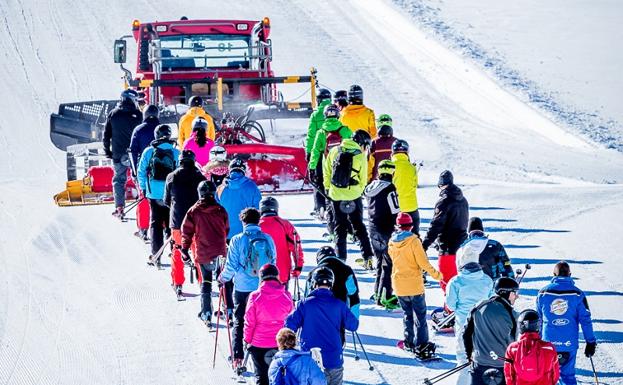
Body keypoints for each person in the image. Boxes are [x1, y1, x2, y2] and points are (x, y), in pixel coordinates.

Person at [218, 208, 277, 370]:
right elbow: (274, 262)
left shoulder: (238, 240)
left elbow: (231, 265)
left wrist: (223, 278)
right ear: (259, 221)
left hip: (243, 288)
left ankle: (238, 356)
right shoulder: (268, 239)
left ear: (243, 222)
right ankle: (267, 352)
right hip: (263, 287)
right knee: (263, 320)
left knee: (240, 320)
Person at [286, 267, 359, 385]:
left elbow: (289, 325)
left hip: (310, 358)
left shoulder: (304, 304)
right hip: (334, 359)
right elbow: (353, 325)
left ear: (314, 283)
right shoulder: (339, 304)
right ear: (331, 283)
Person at [388, 212, 443, 358]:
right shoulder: (414, 241)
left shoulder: (392, 242)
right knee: (420, 316)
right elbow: (423, 263)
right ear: (411, 226)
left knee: (407, 315)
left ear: (398, 226)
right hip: (414, 285)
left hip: (399, 284)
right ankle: (422, 344)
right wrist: (438, 275)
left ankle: (408, 343)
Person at [536, 261, 596, 385]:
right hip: (568, 343)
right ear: (570, 274)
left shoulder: (543, 293)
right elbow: (585, 320)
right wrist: (590, 341)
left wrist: (537, 340)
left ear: (554, 274)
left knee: (547, 375)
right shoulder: (577, 294)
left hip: (548, 343)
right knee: (567, 376)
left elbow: (539, 319)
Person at [445, 239, 494, 385]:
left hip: (464, 323)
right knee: (482, 357)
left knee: (463, 357)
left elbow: (451, 305)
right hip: (483, 325)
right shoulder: (487, 280)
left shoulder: (455, 282)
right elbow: (492, 301)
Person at [180, 180, 229, 326]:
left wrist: (184, 249)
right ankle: (227, 308)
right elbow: (227, 229)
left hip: (203, 252)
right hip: (220, 251)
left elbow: (186, 231)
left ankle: (206, 312)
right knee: (222, 280)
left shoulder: (194, 211)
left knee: (206, 281)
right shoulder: (220, 210)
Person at [322, 130, 374, 265]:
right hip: (354, 195)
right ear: (362, 143)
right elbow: (363, 179)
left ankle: (341, 258)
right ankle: (368, 257)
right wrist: (359, 191)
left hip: (336, 195)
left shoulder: (334, 150)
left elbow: (326, 171)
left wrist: (328, 189)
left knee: (340, 227)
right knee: (359, 226)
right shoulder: (360, 156)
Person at [164, 150, 206, 295]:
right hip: (197, 222)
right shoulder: (200, 177)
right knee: (198, 252)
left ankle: (178, 283)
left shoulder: (171, 177)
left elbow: (166, 201)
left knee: (177, 251)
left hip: (177, 222)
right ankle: (202, 282)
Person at [463, 277, 519, 385]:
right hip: (503, 366)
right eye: (515, 293)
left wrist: (469, 355)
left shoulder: (478, 307)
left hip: (480, 363)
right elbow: (515, 344)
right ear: (507, 293)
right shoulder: (513, 314)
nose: (517, 296)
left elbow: (466, 333)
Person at [137, 124, 180, 265]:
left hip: (154, 194)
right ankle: (174, 252)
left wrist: (144, 188)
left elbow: (141, 172)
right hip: (172, 194)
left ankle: (156, 255)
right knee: (172, 223)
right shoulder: (176, 152)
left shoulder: (148, 152)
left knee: (155, 223)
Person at [244, 264, 294, 385]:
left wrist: (247, 340)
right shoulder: (286, 296)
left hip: (259, 343)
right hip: (281, 343)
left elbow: (250, 321)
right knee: (280, 376)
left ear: (261, 278)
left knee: (261, 376)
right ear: (277, 276)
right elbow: (291, 320)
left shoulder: (255, 296)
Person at [422, 170, 469, 294]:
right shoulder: (463, 200)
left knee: (446, 280)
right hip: (462, 247)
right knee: (459, 280)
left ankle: (450, 309)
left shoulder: (444, 201)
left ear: (441, 185)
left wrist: (425, 244)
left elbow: (436, 225)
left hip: (448, 246)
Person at [364, 160, 400, 307]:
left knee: (380, 261)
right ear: (392, 172)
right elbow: (395, 209)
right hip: (386, 229)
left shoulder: (370, 186)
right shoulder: (390, 188)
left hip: (372, 228)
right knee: (388, 263)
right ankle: (386, 295)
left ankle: (378, 293)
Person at [308, 104, 353, 221]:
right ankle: (346, 212)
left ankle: (323, 210)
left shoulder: (321, 132)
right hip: (343, 166)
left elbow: (315, 151)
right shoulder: (345, 130)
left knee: (322, 186)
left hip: (326, 166)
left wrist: (312, 167)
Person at [103, 89, 142, 216]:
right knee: (139, 179)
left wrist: (107, 151)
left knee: (119, 180)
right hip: (134, 153)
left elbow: (106, 135)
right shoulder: (138, 114)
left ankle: (119, 207)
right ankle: (144, 204)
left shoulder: (113, 114)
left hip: (118, 154)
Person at [504, 309, 560, 385]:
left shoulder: (512, 348)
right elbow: (555, 373)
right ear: (538, 326)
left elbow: (509, 373)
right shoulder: (549, 347)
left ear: (520, 326)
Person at [129, 104, 160, 240]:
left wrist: (135, 171)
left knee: (144, 198)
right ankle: (163, 227)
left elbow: (133, 151)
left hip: (145, 169)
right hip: (163, 169)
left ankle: (143, 229)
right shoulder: (162, 129)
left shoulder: (139, 129)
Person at [258, 197, 304, 288]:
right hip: (281, 273)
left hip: (258, 274)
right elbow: (296, 246)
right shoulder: (285, 224)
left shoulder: (256, 225)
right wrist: (298, 266)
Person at [307, 246, 360, 320]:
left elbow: (307, 297)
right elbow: (353, 295)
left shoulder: (314, 272)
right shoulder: (347, 270)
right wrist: (354, 319)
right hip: (339, 314)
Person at [216, 158, 262, 240]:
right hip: (246, 233)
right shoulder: (252, 186)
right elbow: (257, 211)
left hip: (225, 233)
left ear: (230, 169)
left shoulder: (220, 188)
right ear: (244, 170)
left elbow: (216, 211)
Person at [305, 88, 333, 217]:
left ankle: (320, 207)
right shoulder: (337, 112)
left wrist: (309, 152)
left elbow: (311, 136)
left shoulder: (315, 115)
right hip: (335, 153)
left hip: (320, 153)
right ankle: (332, 205)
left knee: (318, 180)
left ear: (318, 100)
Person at [390, 139, 420, 235]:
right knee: (415, 236)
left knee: (395, 238)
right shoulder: (411, 167)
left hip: (395, 208)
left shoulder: (390, 166)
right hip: (411, 206)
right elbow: (414, 185)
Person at [368, 115, 396, 181]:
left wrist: (369, 180)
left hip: (377, 178)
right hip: (394, 177)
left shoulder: (374, 143)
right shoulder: (396, 142)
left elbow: (369, 162)